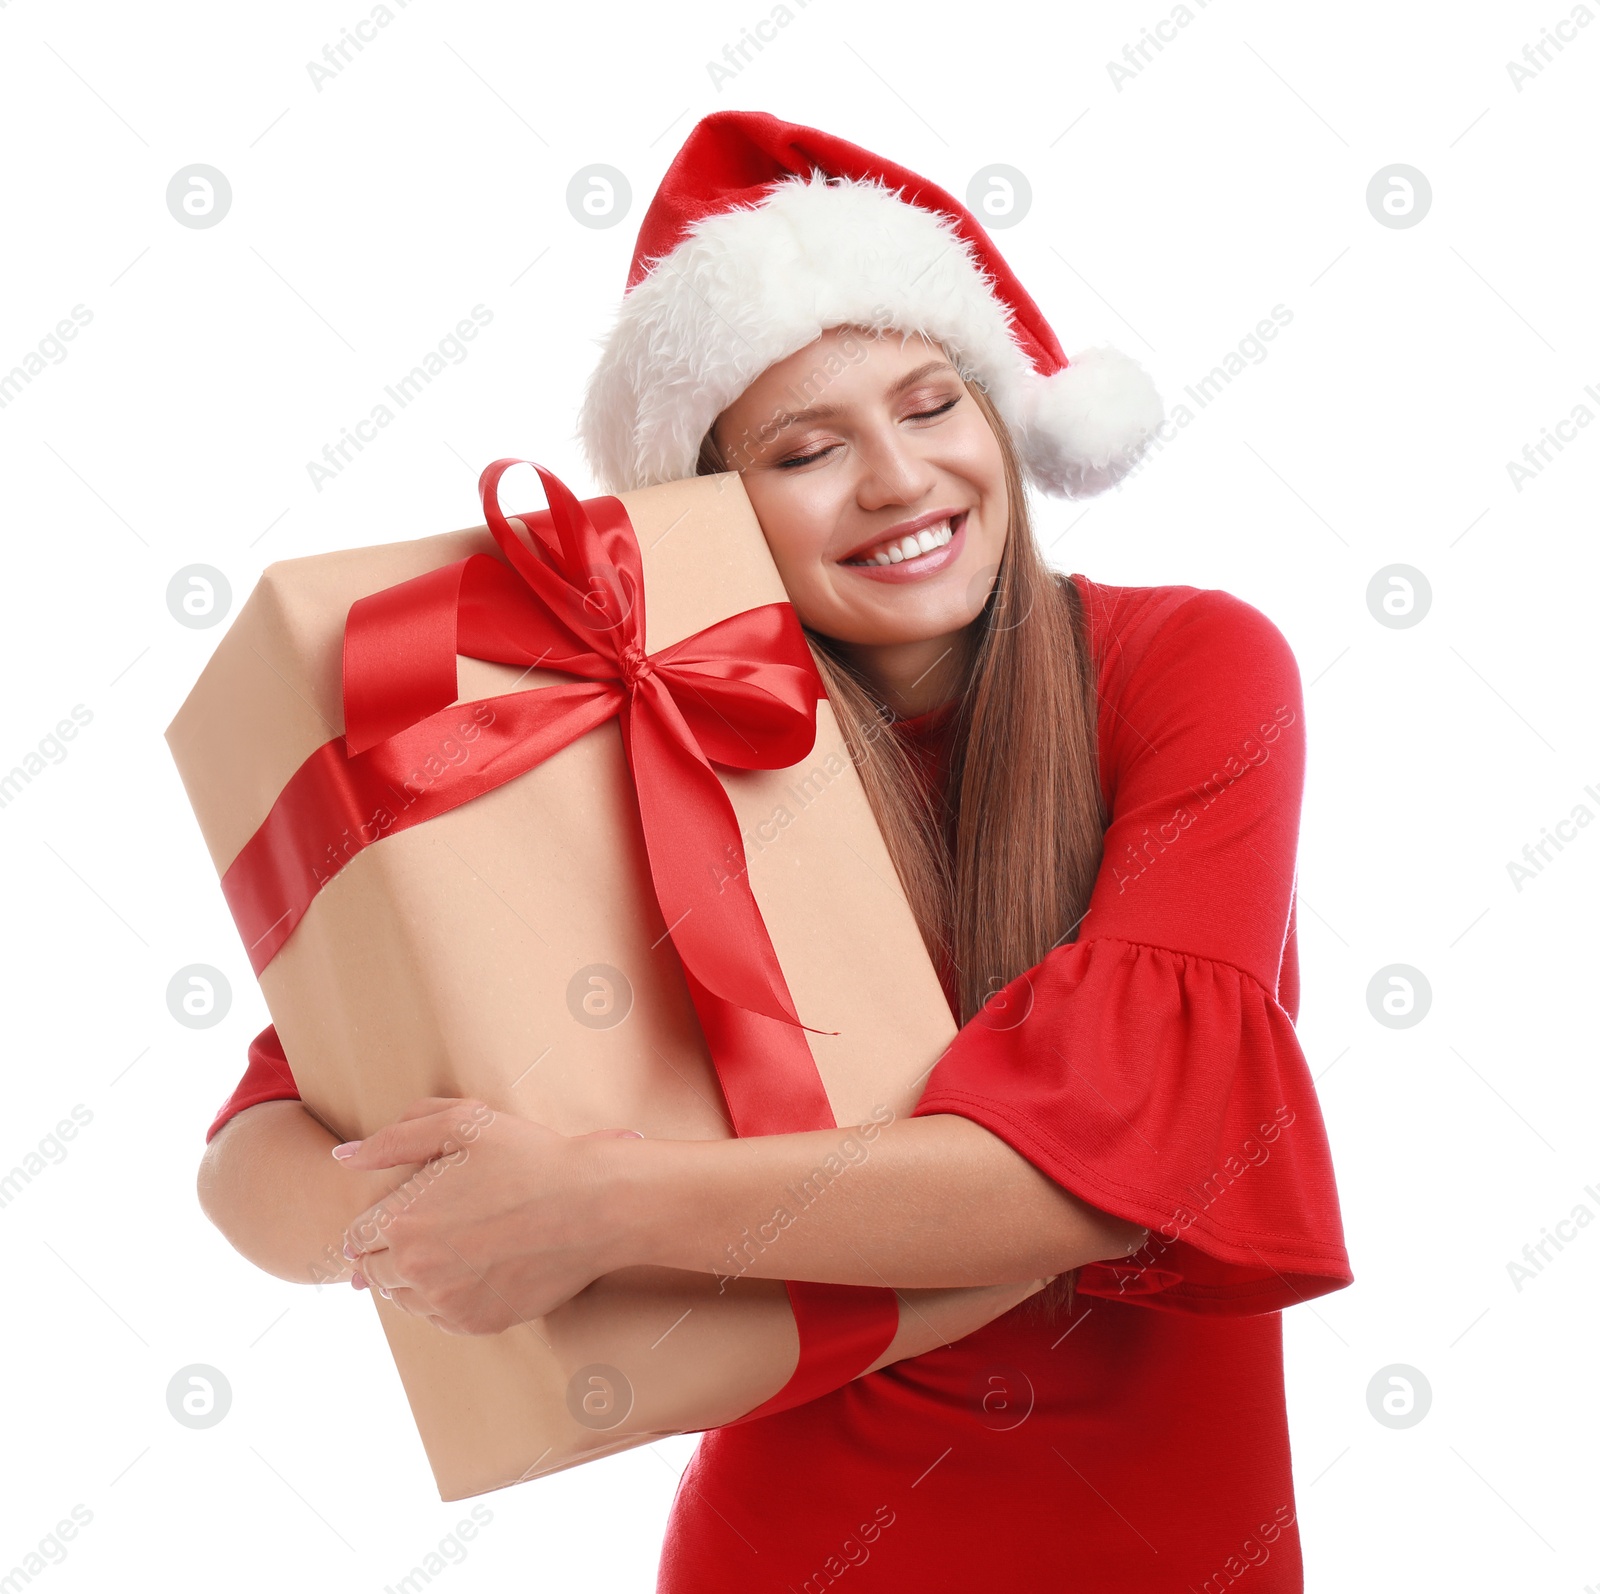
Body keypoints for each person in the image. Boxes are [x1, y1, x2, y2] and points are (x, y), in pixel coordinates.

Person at [197, 112, 1353, 1591]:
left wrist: (589, 1205)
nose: (898, 479)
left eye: (934, 405)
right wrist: (427, 1225)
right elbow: (258, 1149)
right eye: (807, 448)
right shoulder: (635, 735)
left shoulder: (1191, 665)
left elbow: (1088, 1182)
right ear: (709, 506)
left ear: (1005, 419)